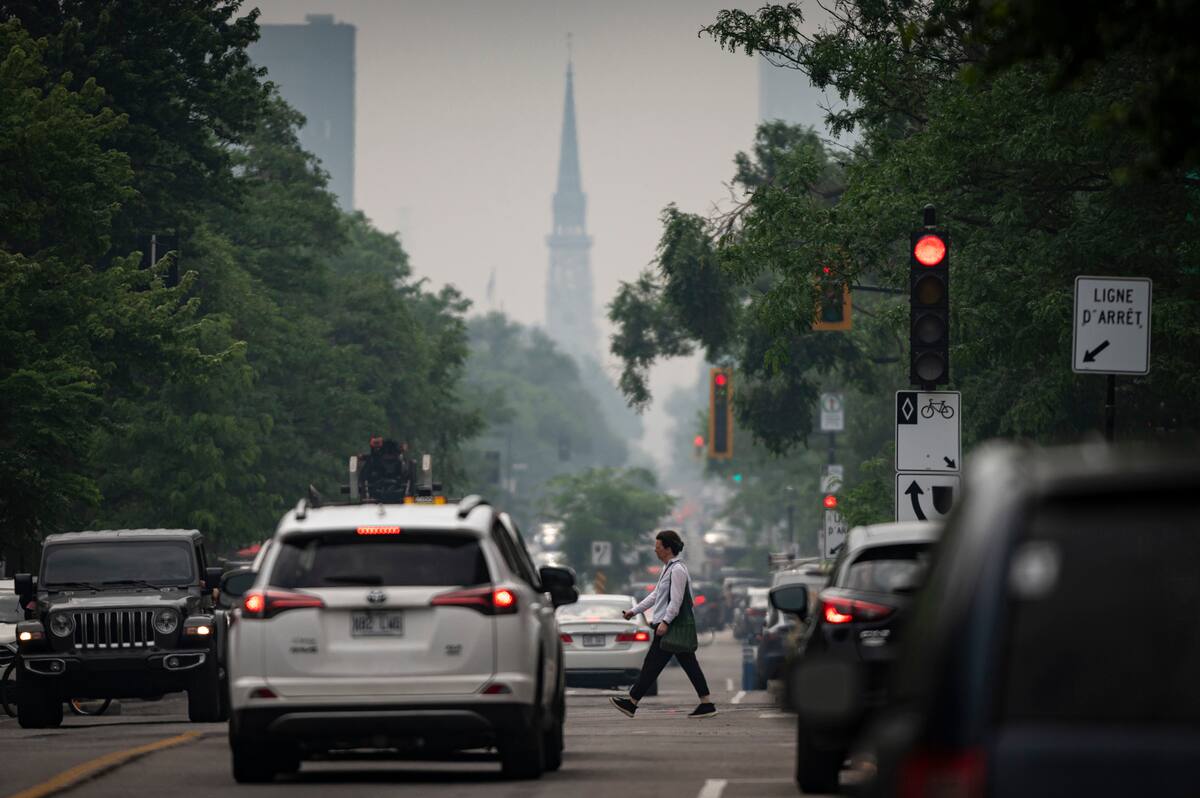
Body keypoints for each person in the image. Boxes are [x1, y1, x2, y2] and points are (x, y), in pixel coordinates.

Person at [610, 530, 717, 719]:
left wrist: (666, 622)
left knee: (652, 665)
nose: (655, 551)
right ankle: (706, 703)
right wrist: (634, 611)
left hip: (671, 627)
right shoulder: (668, 568)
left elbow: (676, 601)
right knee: (688, 665)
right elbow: (656, 595)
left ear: (668, 548)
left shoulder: (677, 570)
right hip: (669, 626)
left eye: (658, 547)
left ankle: (632, 703)